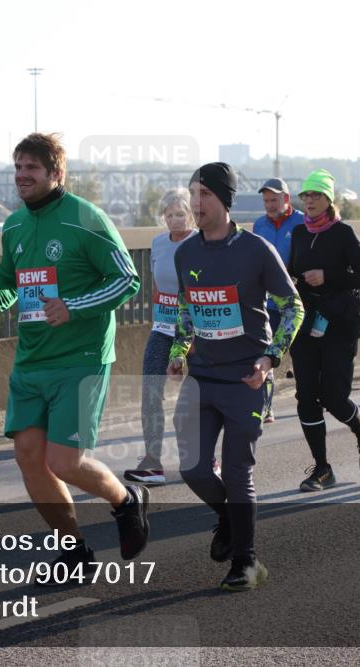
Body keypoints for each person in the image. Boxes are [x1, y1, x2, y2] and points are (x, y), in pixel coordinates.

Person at [0, 133, 148, 581]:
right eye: (17, 167)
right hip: (31, 360)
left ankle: (126, 502)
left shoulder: (85, 220)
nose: (21, 176)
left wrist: (74, 307)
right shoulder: (13, 226)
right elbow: (11, 282)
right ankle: (74, 552)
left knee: (63, 462)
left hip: (81, 357)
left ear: (56, 173)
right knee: (29, 457)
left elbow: (126, 280)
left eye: (31, 168)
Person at [167, 162, 303, 591]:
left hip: (247, 377)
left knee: (239, 469)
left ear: (224, 201)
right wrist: (178, 351)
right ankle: (229, 517)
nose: (195, 202)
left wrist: (270, 359)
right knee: (192, 467)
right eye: (193, 193)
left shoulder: (256, 249)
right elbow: (188, 310)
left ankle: (247, 562)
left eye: (205, 194)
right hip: (202, 375)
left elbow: (293, 306)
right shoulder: (185, 251)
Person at [288, 169, 360, 492]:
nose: (310, 201)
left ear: (329, 200)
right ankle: (323, 468)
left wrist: (328, 277)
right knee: (306, 396)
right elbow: (290, 271)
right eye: (306, 196)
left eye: (316, 196)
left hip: (340, 322)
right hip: (306, 321)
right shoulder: (298, 234)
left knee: (334, 397)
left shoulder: (344, 233)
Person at [124, 188, 198, 486]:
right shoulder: (157, 243)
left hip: (195, 331)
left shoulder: (199, 242)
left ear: (190, 214)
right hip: (163, 327)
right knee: (150, 391)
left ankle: (205, 458)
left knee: (195, 396)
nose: (174, 220)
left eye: (180, 214)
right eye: (168, 215)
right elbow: (156, 285)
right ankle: (152, 461)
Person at [252, 177, 305, 423]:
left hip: (297, 302)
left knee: (303, 356)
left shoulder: (302, 222)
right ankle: (266, 406)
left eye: (274, 200)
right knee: (268, 353)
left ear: (286, 198)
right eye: (266, 201)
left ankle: (309, 398)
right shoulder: (259, 225)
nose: (270, 205)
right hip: (269, 303)